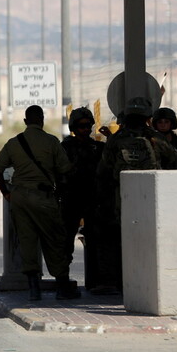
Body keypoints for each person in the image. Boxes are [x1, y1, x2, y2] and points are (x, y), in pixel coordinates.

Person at [0, 105, 78, 301]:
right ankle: (62, 287)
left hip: (19, 198)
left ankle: (34, 289)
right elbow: (65, 170)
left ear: (25, 121)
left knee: (27, 240)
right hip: (43, 197)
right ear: (42, 120)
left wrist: (6, 192)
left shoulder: (14, 143)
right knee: (53, 239)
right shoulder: (51, 141)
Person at [93, 96, 165, 294]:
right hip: (152, 196)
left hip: (122, 197)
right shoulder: (154, 137)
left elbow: (104, 169)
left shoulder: (117, 139)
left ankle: (119, 282)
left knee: (119, 239)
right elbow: (172, 157)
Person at [60, 107, 105, 291]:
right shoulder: (65, 148)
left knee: (96, 241)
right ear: (73, 127)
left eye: (88, 126)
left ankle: (97, 280)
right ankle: (62, 280)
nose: (86, 129)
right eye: (81, 126)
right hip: (72, 199)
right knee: (65, 242)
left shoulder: (98, 148)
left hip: (93, 199)